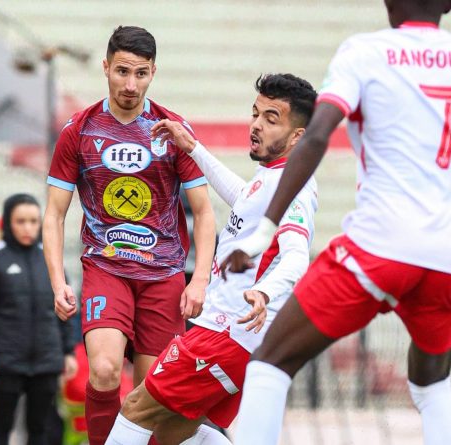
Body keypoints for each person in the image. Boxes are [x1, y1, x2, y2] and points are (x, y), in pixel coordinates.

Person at [220, 1, 451, 444]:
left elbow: (316, 136)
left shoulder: (364, 52)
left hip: (376, 251)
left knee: (270, 362)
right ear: (449, 3)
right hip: (450, 262)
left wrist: (264, 231)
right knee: (432, 387)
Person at [105, 73, 318, 445]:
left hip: (226, 333)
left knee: (136, 408)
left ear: (297, 136)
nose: (256, 125)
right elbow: (244, 198)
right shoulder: (272, 177)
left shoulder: (294, 187)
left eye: (271, 119)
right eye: (255, 114)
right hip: (237, 339)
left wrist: (264, 292)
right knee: (172, 433)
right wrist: (193, 148)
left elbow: (297, 256)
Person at [43, 25, 216, 445]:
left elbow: (204, 211)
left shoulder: (173, 130)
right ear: (106, 67)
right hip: (106, 269)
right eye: (122, 71)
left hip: (164, 277)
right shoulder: (79, 130)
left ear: (153, 72)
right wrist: (58, 281)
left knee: (149, 398)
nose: (130, 84)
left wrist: (199, 280)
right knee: (103, 370)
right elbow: (54, 213)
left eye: (140, 73)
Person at [0, 193, 76, 445]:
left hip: (47, 361)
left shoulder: (51, 259)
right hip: (5, 362)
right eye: (21, 221)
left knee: (40, 429)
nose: (28, 228)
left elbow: (68, 307)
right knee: (1, 428)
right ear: (8, 222)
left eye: (33, 221)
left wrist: (68, 351)